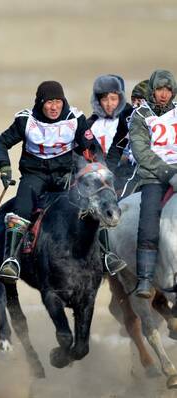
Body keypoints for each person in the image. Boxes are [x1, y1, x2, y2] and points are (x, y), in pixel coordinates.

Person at [0, 81, 100, 282]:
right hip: (34, 176)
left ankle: (105, 256)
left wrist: (90, 158)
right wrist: (4, 166)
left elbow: (92, 148)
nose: (54, 107)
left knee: (91, 209)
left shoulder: (75, 119)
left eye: (58, 101)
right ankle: (11, 259)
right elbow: (0, 142)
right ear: (40, 103)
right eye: (49, 102)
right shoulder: (26, 121)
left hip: (65, 177)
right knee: (21, 211)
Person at [129, 69, 177, 298]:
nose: (164, 94)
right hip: (154, 177)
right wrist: (169, 174)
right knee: (148, 220)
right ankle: (145, 279)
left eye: (168, 89)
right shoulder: (140, 116)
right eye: (160, 89)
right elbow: (141, 151)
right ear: (152, 90)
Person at [87, 74, 133, 274]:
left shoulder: (131, 119)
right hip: (100, 178)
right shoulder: (90, 124)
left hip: (125, 174)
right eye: (104, 99)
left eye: (114, 98)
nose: (109, 104)